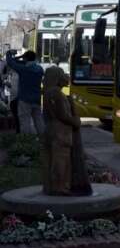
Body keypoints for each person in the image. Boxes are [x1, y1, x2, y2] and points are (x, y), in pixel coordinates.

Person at [42, 66, 91, 196]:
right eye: (62, 74)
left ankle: (52, 186)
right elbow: (63, 115)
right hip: (61, 132)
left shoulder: (48, 92)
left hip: (52, 130)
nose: (66, 77)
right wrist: (76, 121)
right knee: (61, 161)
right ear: (57, 77)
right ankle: (60, 187)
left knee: (55, 159)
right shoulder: (56, 93)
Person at [6, 50, 45, 135]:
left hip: (24, 100)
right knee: (39, 120)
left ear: (25, 59)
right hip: (36, 99)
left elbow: (10, 62)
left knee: (25, 122)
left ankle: (26, 142)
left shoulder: (23, 69)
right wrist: (24, 58)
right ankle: (43, 139)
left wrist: (10, 53)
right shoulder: (40, 69)